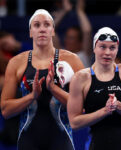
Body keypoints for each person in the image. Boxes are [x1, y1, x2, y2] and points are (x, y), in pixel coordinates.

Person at [1, 9, 84, 150]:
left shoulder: (71, 60)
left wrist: (54, 89)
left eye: (47, 25)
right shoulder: (17, 63)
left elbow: (82, 108)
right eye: (37, 25)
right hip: (28, 142)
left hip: (61, 141)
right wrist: (31, 97)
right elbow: (5, 110)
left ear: (53, 31)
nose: (42, 29)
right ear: (30, 32)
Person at [67, 27, 121, 150]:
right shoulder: (81, 78)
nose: (107, 52)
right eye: (102, 47)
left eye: (112, 47)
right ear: (94, 48)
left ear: (117, 49)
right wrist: (104, 111)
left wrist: (119, 106)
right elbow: (74, 122)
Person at [53, 0, 92, 67]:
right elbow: (50, 30)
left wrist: (80, 11)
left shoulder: (84, 54)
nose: (66, 40)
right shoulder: (61, 54)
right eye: (66, 37)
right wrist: (64, 11)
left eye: (71, 38)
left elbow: (87, 31)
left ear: (80, 42)